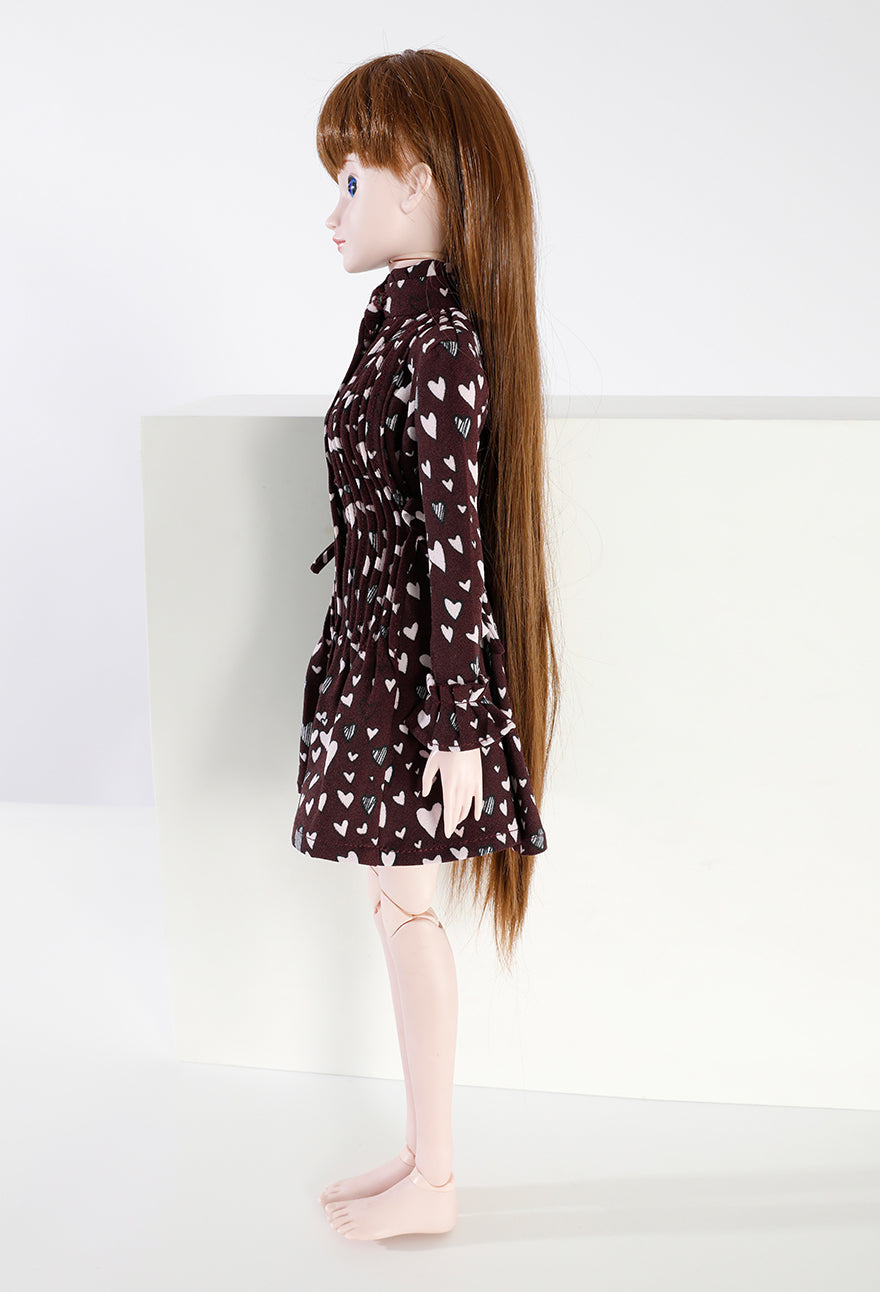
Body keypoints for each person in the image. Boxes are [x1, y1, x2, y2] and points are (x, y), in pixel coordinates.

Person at [292, 48, 561, 1241]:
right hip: (379, 663)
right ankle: (417, 1153)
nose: (334, 209)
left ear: (418, 182)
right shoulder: (397, 330)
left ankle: (436, 1174)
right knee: (390, 903)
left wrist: (461, 723)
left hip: (414, 679)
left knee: (407, 910)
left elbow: (457, 545)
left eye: (351, 180)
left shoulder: (438, 341)